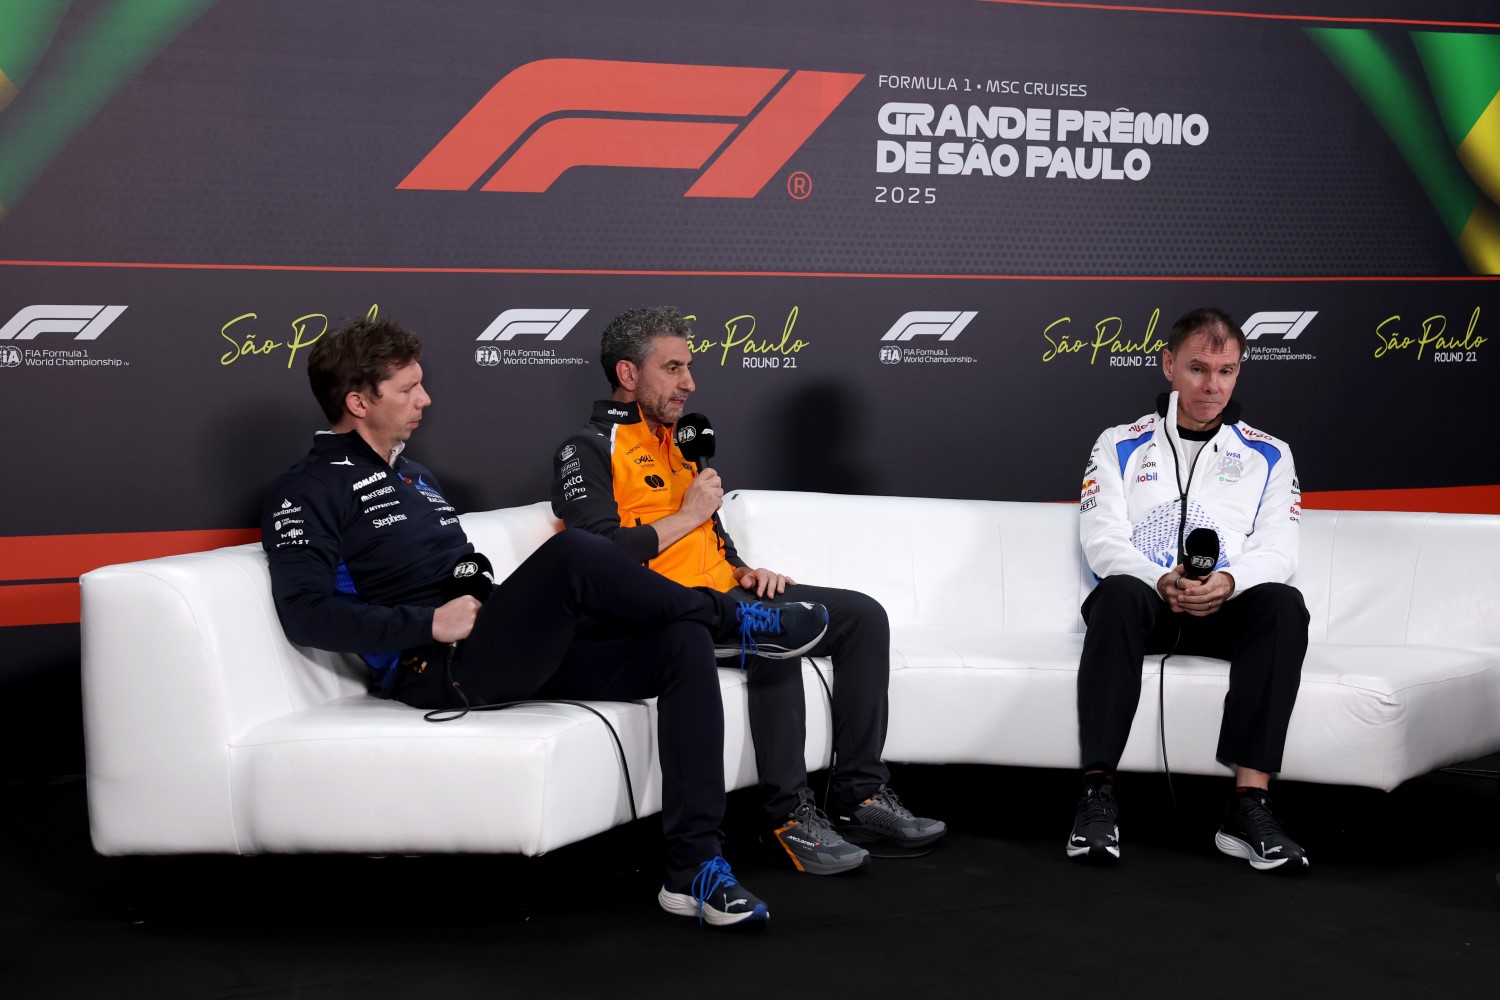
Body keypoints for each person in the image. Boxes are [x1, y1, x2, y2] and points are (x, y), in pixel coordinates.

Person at [262, 316, 833, 927]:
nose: (425, 399)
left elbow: (458, 572)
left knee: (679, 641)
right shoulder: (307, 489)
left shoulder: (416, 477)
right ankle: (737, 621)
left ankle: (693, 870)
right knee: (578, 550)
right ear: (357, 401)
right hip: (437, 668)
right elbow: (307, 614)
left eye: (420, 384)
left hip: (498, 645)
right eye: (407, 389)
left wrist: (491, 597)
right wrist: (428, 624)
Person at [551, 306, 945, 876]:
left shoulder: (677, 444)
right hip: (667, 614)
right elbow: (593, 554)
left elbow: (710, 536)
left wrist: (742, 571)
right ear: (628, 374)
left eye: (689, 367)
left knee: (863, 617)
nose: (690, 382)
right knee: (775, 638)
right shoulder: (586, 447)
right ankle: (786, 821)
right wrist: (689, 517)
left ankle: (858, 798)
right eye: (674, 368)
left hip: (727, 595)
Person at [1069, 307, 1310, 871]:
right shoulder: (1119, 444)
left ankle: (1249, 805)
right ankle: (1097, 794)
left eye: (1226, 371)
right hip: (1148, 602)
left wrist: (1227, 582)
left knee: (1283, 604)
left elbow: (1280, 548)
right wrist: (1159, 578)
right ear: (1168, 366)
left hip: (1224, 606)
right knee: (1119, 594)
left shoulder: (1268, 453)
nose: (1212, 385)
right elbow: (1101, 537)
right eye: (1199, 368)